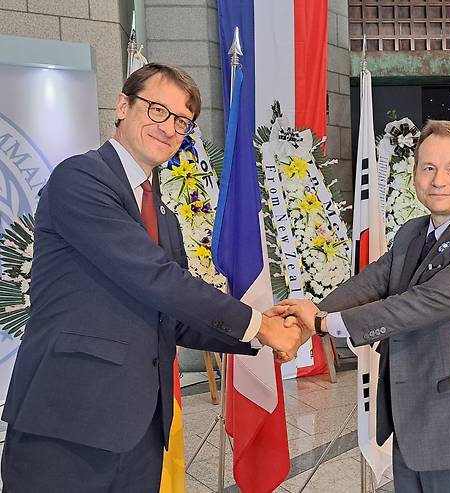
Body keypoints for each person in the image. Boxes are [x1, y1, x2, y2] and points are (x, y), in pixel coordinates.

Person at [0, 63, 304, 492]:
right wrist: (260, 324)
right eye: (158, 110)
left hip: (140, 429)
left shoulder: (164, 215)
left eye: (182, 120)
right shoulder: (81, 177)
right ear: (123, 105)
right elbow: (155, 278)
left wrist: (258, 336)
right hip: (67, 424)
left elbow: (172, 318)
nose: (169, 127)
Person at [277, 120, 450, 492]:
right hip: (413, 420)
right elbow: (373, 281)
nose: (438, 179)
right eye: (428, 168)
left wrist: (325, 324)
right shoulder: (413, 231)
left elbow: (419, 305)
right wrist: (307, 318)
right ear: (415, 174)